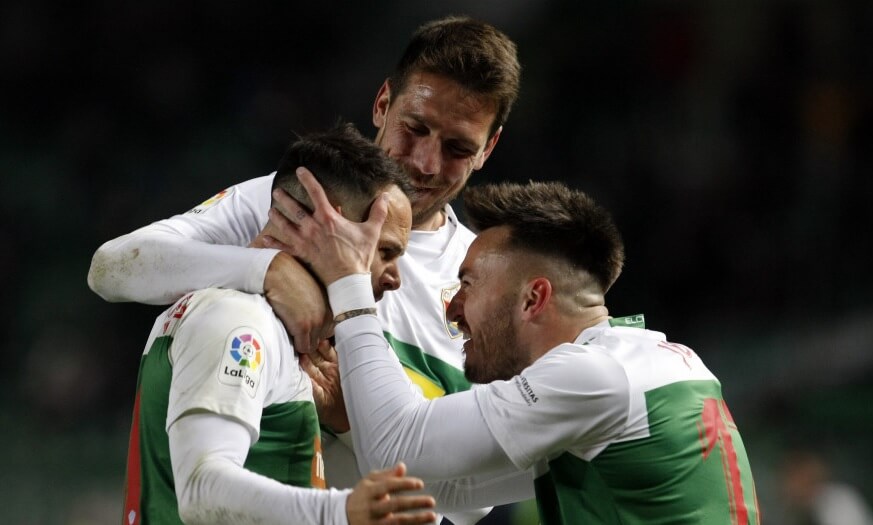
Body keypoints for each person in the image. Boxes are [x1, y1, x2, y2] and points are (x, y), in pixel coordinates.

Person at [88, 15, 521, 524]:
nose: (425, 163)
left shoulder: (489, 280)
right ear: (383, 104)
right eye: (415, 128)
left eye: (457, 148)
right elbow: (112, 268)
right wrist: (268, 268)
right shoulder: (305, 200)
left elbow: (475, 500)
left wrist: (351, 414)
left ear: (488, 149)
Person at [277, 172, 762, 524]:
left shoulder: (594, 376)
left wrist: (349, 283)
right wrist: (348, 416)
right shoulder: (649, 361)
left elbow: (397, 446)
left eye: (466, 284)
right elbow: (457, 490)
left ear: (533, 298)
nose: (453, 309)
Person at [122, 122, 437, 525]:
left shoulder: (274, 327)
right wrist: (343, 512)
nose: (395, 278)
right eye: (387, 252)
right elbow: (201, 489)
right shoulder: (238, 319)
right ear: (331, 226)